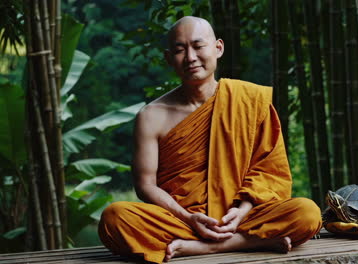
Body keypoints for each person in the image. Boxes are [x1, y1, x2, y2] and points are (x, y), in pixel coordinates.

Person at [98, 16, 322, 264]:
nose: (191, 57)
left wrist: (241, 211)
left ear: (218, 48)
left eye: (198, 46)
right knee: (115, 218)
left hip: (240, 218)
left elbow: (268, 172)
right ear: (169, 58)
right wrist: (188, 218)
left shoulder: (248, 100)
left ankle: (201, 248)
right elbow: (146, 185)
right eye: (180, 50)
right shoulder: (152, 116)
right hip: (181, 221)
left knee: (307, 213)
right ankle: (253, 242)